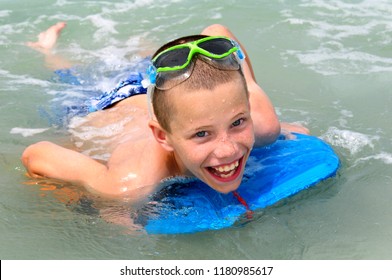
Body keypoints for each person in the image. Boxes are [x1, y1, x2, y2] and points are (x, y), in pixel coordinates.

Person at [22, 22, 308, 199]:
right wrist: (81, 197)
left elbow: (217, 32)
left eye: (237, 122)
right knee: (70, 75)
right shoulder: (129, 182)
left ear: (246, 108)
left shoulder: (264, 124)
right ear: (162, 137)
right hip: (99, 105)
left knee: (160, 62)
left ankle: (141, 43)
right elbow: (36, 154)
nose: (227, 150)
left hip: (158, 88)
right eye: (202, 134)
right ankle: (47, 50)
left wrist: (279, 129)